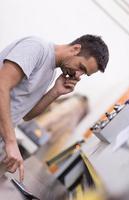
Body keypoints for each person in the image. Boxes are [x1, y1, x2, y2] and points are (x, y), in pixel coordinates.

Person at [0, 34, 109, 182]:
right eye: (81, 67)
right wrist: (11, 142)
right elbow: (2, 86)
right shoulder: (37, 48)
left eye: (84, 74)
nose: (78, 75)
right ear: (75, 49)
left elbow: (27, 114)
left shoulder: (50, 72)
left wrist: (55, 92)